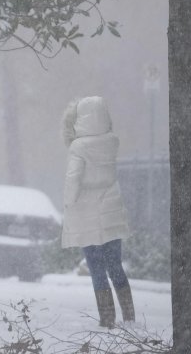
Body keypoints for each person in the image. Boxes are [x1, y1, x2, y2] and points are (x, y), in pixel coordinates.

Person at [61, 95, 133, 328]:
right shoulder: (112, 141)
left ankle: (108, 318)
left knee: (96, 267)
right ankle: (129, 315)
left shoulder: (78, 147)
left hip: (87, 213)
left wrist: (68, 203)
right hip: (111, 209)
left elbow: (73, 178)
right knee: (115, 264)